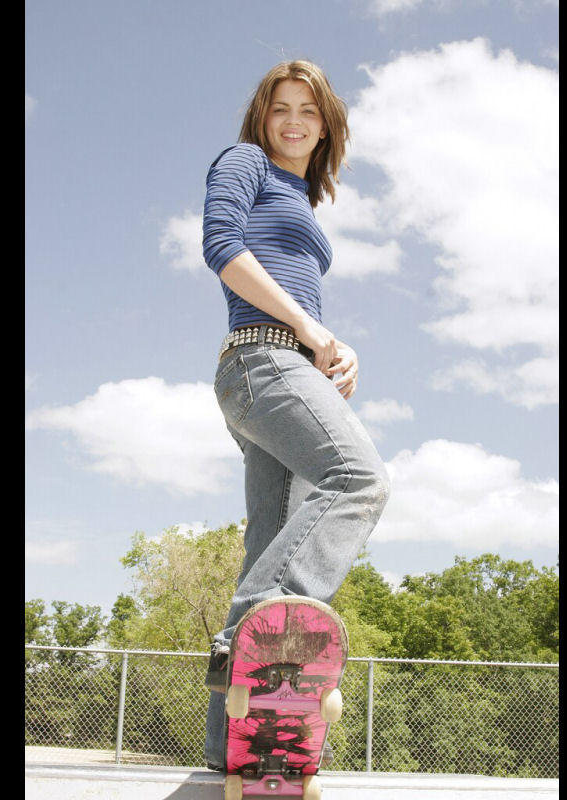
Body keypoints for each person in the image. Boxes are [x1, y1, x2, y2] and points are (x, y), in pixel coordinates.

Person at [201, 59, 390, 771]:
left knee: (269, 542)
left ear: (326, 125)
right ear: (263, 117)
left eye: (307, 110)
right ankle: (266, 636)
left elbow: (298, 295)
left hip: (284, 366)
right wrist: (312, 332)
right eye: (280, 108)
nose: (293, 121)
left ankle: (231, 748)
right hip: (261, 360)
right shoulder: (244, 161)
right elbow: (223, 248)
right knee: (359, 479)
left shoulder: (302, 200)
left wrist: (334, 348)